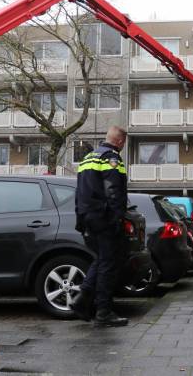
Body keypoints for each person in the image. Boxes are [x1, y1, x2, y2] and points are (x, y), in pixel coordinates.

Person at [70, 126, 129, 327]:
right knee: (108, 264)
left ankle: (82, 301)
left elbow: (79, 191)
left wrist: (81, 218)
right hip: (104, 217)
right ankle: (103, 312)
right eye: (124, 143)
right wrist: (117, 218)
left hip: (88, 217)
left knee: (102, 259)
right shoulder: (111, 158)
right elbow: (113, 190)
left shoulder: (87, 158)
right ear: (120, 142)